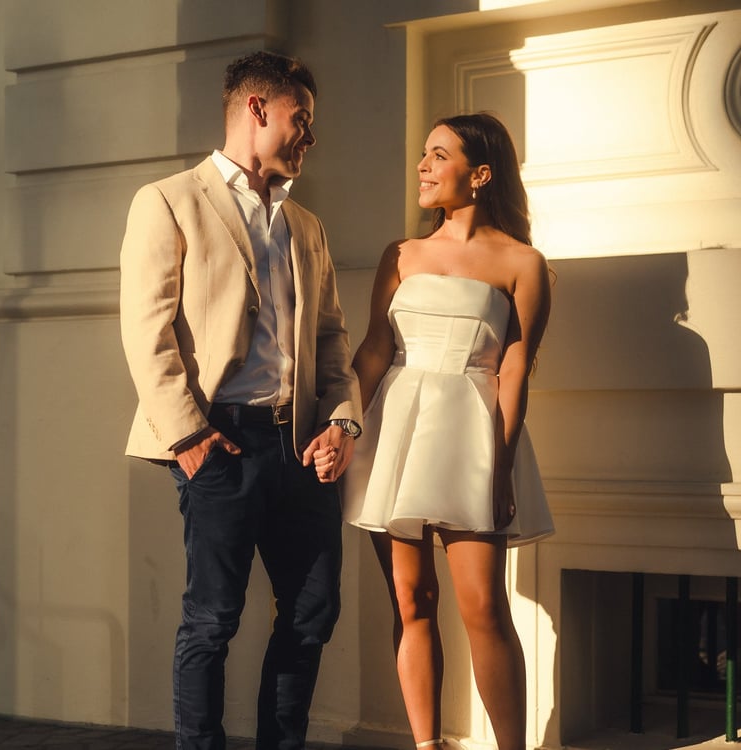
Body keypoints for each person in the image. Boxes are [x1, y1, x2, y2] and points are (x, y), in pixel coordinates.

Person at [119, 51, 362, 750]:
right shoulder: (168, 200)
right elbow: (147, 329)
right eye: (301, 119)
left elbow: (332, 342)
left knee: (313, 610)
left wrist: (342, 422)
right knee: (212, 620)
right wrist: (188, 437)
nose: (309, 136)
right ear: (257, 110)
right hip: (218, 442)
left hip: (301, 448)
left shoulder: (305, 226)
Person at [323, 113, 554, 750]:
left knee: (484, 608)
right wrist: (344, 424)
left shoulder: (524, 264)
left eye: (438, 155)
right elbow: (374, 349)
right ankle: (428, 746)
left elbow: (515, 365)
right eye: (424, 154)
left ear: (479, 175)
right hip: (394, 429)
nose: (423, 166)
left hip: (472, 436)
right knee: (411, 599)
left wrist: (501, 463)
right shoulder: (401, 254)